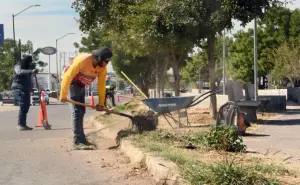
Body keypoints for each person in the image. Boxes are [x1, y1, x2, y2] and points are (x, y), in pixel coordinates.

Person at [60, 47, 113, 150]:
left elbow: (101, 85)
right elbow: (68, 76)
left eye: (108, 61)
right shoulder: (83, 60)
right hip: (71, 83)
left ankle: (82, 139)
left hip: (81, 84)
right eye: (106, 60)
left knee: (82, 111)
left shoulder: (102, 69)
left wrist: (101, 103)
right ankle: (77, 141)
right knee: (76, 111)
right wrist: (63, 94)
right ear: (98, 58)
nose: (107, 63)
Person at [11, 55, 39, 131]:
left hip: (26, 89)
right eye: (29, 62)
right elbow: (19, 72)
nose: (29, 64)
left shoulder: (27, 69)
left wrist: (31, 88)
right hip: (18, 88)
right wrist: (31, 71)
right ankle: (20, 124)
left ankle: (23, 124)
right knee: (23, 105)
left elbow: (29, 80)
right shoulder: (18, 66)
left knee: (26, 106)